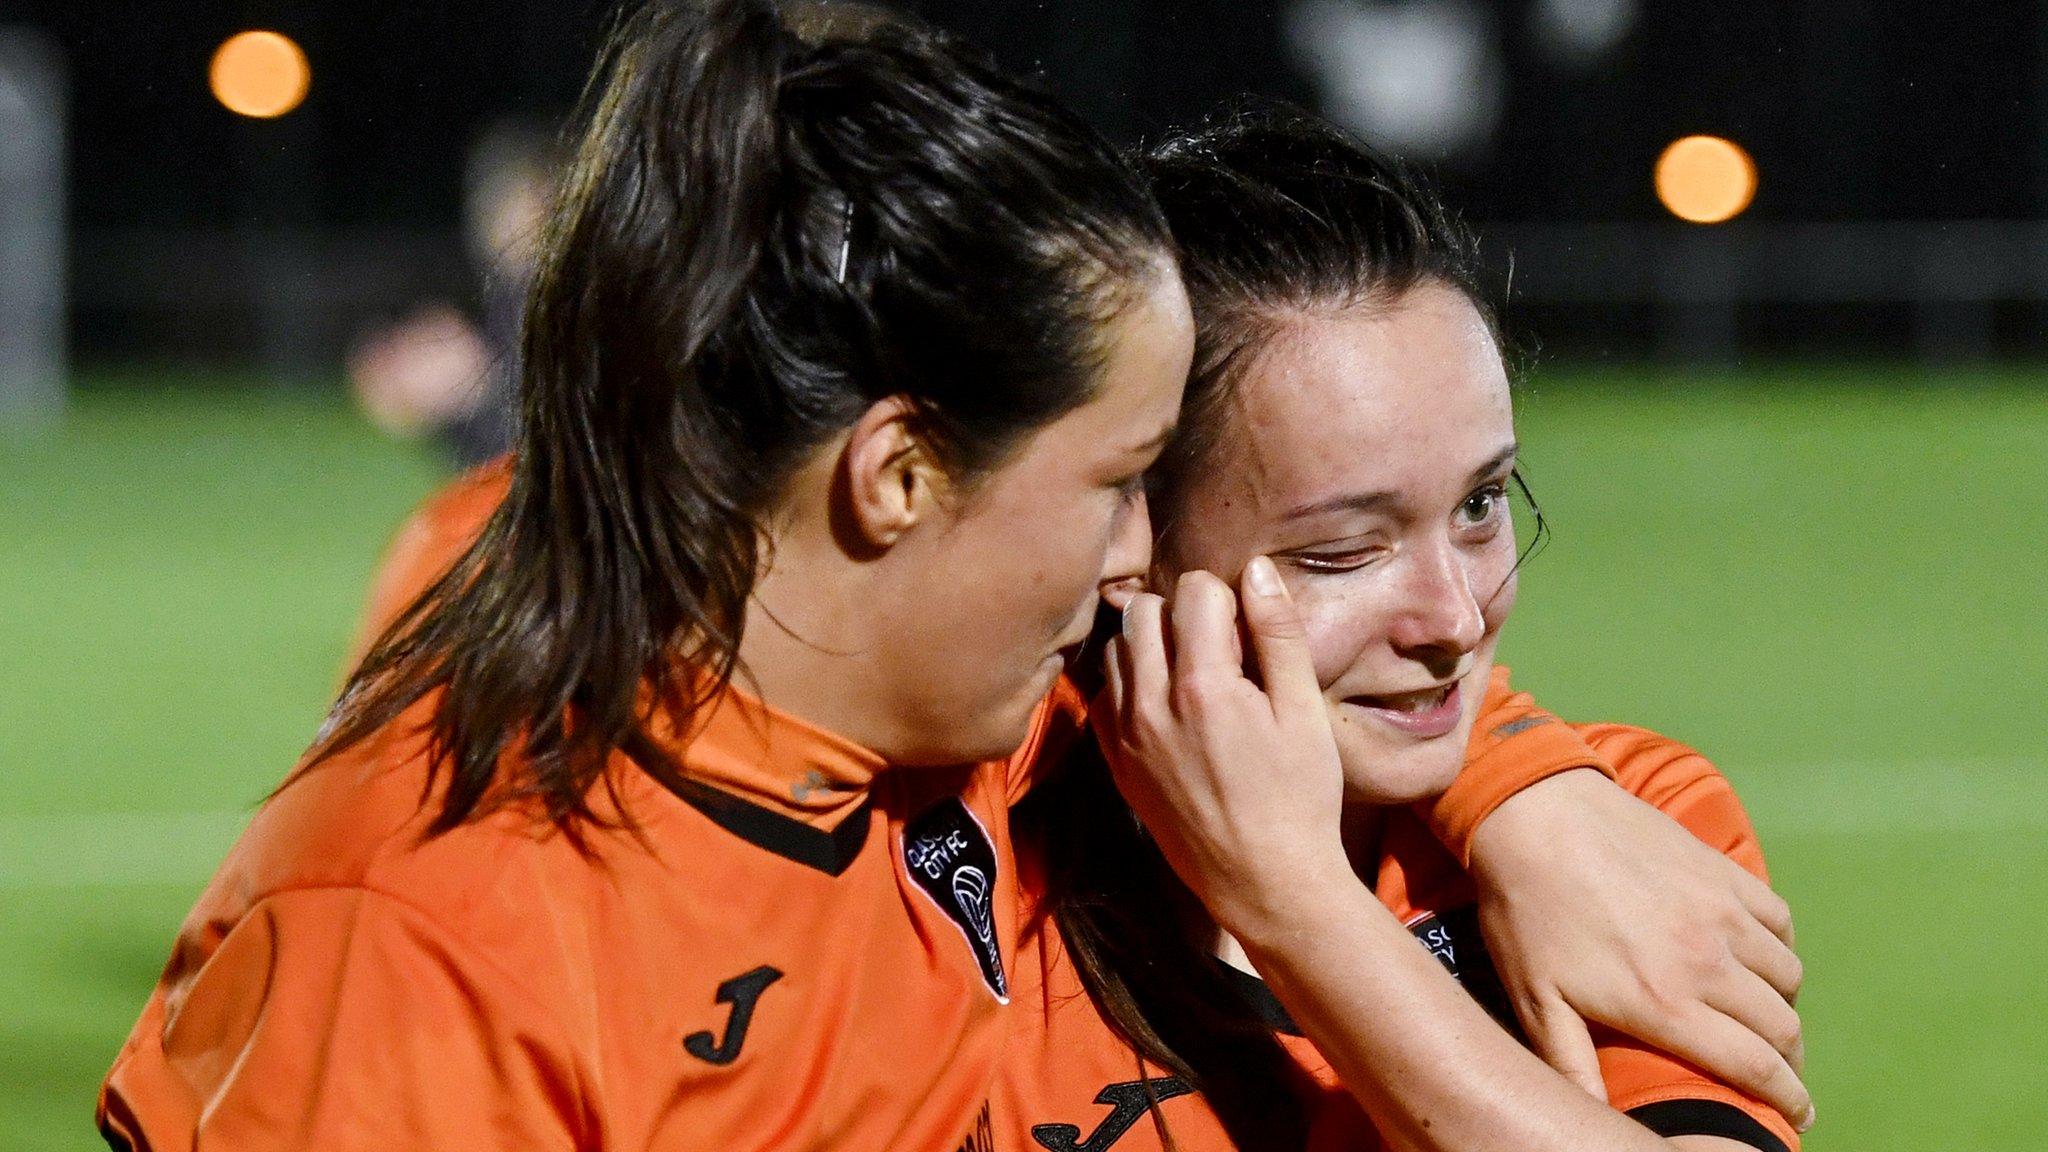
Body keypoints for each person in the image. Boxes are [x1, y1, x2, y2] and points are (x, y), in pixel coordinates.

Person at [97, 2, 1192, 1146]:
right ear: (898, 476)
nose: (1139, 556)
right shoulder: (431, 942)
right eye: (1118, 482)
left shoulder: (949, 731)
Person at [999, 109, 1808, 1151]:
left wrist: (1295, 905)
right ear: (1128, 540)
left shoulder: (1635, 820)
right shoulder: (956, 842)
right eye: (1343, 551)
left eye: (1480, 504)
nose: (1456, 617)